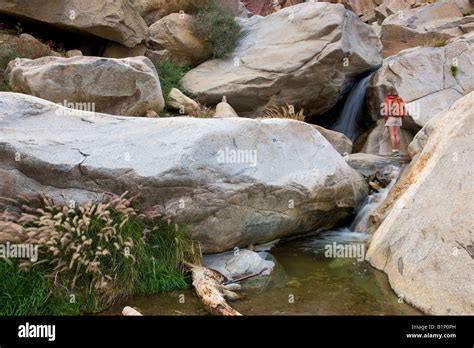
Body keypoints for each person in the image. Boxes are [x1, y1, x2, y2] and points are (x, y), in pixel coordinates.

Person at [384, 92, 406, 157]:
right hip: (399, 118)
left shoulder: (388, 99)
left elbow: (387, 110)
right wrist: (401, 117)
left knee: (392, 135)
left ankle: (394, 151)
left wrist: (386, 119)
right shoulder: (400, 99)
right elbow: (404, 109)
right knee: (397, 134)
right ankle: (397, 151)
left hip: (391, 118)